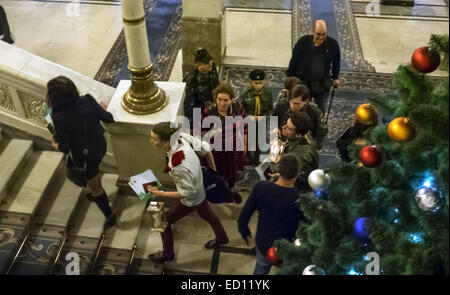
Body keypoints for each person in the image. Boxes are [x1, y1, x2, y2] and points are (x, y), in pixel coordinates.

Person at [148, 122, 229, 264]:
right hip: (200, 187)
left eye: (154, 139)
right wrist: (213, 169)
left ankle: (168, 254)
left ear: (166, 141)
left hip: (192, 199)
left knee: (162, 221)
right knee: (207, 214)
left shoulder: (178, 166)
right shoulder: (181, 137)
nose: (151, 142)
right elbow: (206, 149)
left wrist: (160, 193)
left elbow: (187, 194)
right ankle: (222, 238)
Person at [47, 76, 116, 229]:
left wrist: (54, 144)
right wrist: (102, 108)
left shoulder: (58, 117)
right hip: (100, 146)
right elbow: (109, 118)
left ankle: (110, 216)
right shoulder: (87, 100)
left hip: (84, 157)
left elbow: (65, 147)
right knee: (95, 171)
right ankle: (96, 191)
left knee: (95, 188)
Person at [238, 153, 306, 275]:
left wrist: (244, 231)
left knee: (261, 268)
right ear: (298, 174)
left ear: (278, 168)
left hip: (264, 242)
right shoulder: (300, 198)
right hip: (287, 246)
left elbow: (244, 216)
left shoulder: (261, 187)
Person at [201, 83, 246, 202]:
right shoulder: (209, 113)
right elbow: (198, 133)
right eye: (219, 99)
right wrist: (210, 133)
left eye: (225, 100)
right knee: (217, 172)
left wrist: (245, 143)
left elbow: (243, 125)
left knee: (232, 170)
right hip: (217, 150)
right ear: (215, 99)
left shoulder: (237, 108)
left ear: (231, 99)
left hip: (234, 146)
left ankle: (230, 189)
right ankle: (220, 192)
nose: (222, 103)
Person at [286, 20, 341, 113]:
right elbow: (294, 60)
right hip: (303, 82)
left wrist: (335, 77)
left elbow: (336, 61)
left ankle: (318, 125)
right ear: (312, 31)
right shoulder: (302, 42)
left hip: (322, 83)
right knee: (301, 108)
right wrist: (290, 77)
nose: (321, 37)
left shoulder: (332, 44)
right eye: (318, 34)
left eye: (324, 34)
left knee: (320, 109)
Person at [272, 83, 328, 150]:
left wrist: (318, 147)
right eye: (291, 102)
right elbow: (273, 117)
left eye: (296, 103)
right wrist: (274, 128)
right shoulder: (283, 104)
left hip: (302, 146)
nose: (292, 106)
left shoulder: (314, 113)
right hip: (281, 141)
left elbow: (321, 131)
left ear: (306, 101)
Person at [276, 111, 319, 192]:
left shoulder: (299, 157)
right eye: (286, 123)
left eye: (288, 128)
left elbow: (296, 183)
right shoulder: (303, 134)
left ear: (298, 135)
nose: (283, 127)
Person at [240, 69, 273, 164]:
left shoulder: (268, 93)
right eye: (256, 83)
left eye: (260, 83)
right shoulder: (245, 94)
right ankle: (249, 156)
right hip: (249, 121)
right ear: (251, 82)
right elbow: (241, 109)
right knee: (250, 138)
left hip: (262, 121)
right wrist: (248, 116)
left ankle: (257, 157)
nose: (258, 85)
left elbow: (270, 109)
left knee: (260, 139)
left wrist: (263, 117)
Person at [183, 48, 219, 125]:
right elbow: (190, 103)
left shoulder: (212, 67)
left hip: (214, 103)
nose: (210, 63)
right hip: (200, 109)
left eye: (210, 60)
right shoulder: (191, 79)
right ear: (198, 64)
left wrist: (216, 98)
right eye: (206, 63)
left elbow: (216, 85)